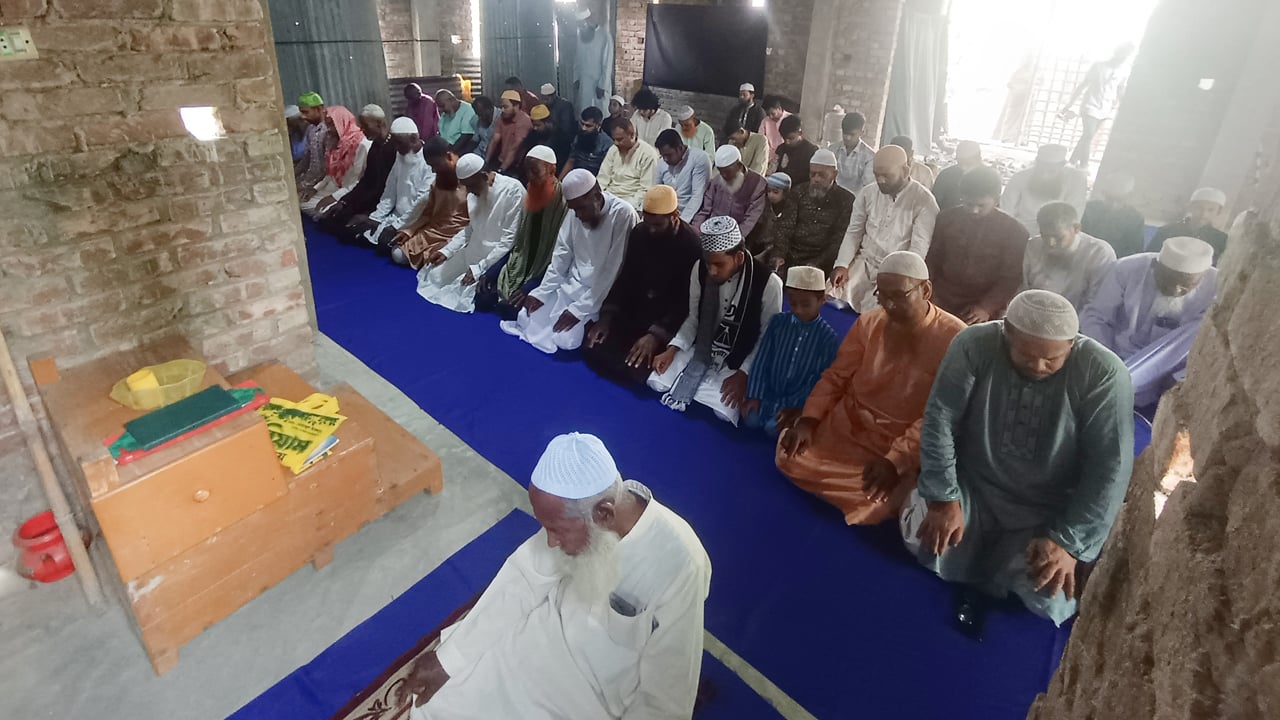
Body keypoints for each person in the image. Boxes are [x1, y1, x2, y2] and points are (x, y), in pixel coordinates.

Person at [400, 432, 711, 720]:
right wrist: (447, 660)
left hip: (596, 690)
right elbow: (523, 580)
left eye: (556, 530)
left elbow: (666, 694)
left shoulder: (682, 564)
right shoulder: (584, 511)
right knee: (438, 704)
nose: (550, 542)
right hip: (543, 635)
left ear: (604, 513)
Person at [901, 290, 1134, 630]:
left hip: (1046, 512)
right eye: (1026, 355)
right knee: (922, 533)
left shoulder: (1104, 373)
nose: (1038, 366)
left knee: (1050, 593)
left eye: (1052, 359)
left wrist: (1068, 543)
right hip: (974, 489)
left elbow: (1110, 467)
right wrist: (943, 498)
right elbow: (941, 419)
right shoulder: (974, 344)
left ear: (1072, 344)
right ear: (1005, 332)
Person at [778, 252, 965, 524]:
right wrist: (809, 420)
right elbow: (836, 376)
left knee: (874, 502)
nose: (889, 305)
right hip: (849, 424)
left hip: (897, 439)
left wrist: (895, 461)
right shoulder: (869, 321)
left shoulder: (957, 340)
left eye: (898, 296)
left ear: (926, 290)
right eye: (882, 295)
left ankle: (899, 482)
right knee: (789, 456)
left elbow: (940, 416)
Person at [647, 216, 784, 425]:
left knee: (724, 412)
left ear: (739, 258)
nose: (712, 271)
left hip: (739, 356)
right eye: (708, 263)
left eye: (719, 264)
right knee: (656, 382)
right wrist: (673, 348)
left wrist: (745, 373)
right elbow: (694, 318)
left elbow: (768, 337)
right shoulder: (700, 268)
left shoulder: (769, 283)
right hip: (703, 346)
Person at [501, 169, 638, 353]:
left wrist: (580, 309)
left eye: (581, 208)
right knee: (526, 316)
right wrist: (542, 292)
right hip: (570, 285)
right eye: (573, 210)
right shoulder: (574, 212)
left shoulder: (623, 214)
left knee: (565, 340)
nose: (577, 215)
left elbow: (613, 270)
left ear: (597, 197)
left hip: (598, 294)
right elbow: (561, 255)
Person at [583, 185, 702, 386]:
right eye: (648, 223)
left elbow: (685, 301)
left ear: (675, 216)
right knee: (592, 344)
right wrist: (606, 318)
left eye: (658, 225)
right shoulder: (640, 232)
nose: (652, 230)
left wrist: (655, 336)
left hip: (667, 316)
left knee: (637, 371)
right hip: (636, 310)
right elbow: (626, 277)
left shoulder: (692, 246)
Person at [1080, 236, 1216, 406]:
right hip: (1117, 354)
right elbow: (1096, 316)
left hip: (1170, 370)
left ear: (1203, 276)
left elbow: (1209, 344)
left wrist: (1182, 376)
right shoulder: (1127, 269)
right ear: (1154, 266)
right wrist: (1106, 360)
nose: (1175, 290)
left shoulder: (1217, 287)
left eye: (1185, 286)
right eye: (1167, 281)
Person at [831, 145, 940, 313]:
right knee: (833, 296)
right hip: (863, 263)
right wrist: (842, 264)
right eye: (876, 175)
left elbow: (918, 250)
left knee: (884, 315)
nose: (880, 180)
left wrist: (898, 279)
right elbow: (854, 232)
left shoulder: (924, 201)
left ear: (905, 171)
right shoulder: (867, 193)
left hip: (896, 272)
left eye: (887, 176)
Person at [417, 154, 526, 313]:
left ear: (483, 176)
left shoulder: (513, 190)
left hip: (495, 260)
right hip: (472, 252)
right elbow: (470, 228)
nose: (468, 191)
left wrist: (480, 269)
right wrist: (447, 251)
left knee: (463, 294)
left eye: (470, 186)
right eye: (465, 186)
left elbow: (509, 240)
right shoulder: (474, 193)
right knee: (434, 278)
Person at [741, 266, 840, 436]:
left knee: (773, 429)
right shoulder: (778, 322)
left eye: (806, 305)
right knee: (750, 420)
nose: (798, 310)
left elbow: (817, 380)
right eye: (793, 303)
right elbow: (762, 359)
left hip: (795, 401)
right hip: (768, 394)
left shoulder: (828, 338)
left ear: (821, 301)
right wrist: (755, 395)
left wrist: (796, 407)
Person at [475, 146, 569, 320]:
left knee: (512, 311)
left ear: (552, 170)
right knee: (482, 299)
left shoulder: (565, 204)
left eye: (536, 172)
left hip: (545, 274)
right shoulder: (530, 194)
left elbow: (561, 259)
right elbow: (517, 243)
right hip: (518, 266)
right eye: (528, 172)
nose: (530, 177)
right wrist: (492, 272)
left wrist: (531, 287)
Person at [925, 167, 1029, 324]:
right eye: (968, 204)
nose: (974, 210)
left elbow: (1011, 277)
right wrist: (928, 291)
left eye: (981, 205)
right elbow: (933, 258)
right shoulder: (946, 219)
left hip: (981, 305)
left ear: (997, 199)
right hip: (941, 296)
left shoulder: (1015, 232)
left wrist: (987, 307)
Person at [347, 117, 434, 251]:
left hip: (415, 220)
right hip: (394, 216)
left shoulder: (429, 159)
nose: (396, 148)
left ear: (413, 138)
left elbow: (420, 203)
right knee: (353, 230)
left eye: (399, 143)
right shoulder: (401, 154)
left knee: (384, 243)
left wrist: (396, 226)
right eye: (394, 143)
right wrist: (375, 218)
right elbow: (389, 192)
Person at [768, 149, 853, 275]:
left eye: (821, 175)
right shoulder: (798, 192)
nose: (816, 179)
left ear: (834, 174)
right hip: (791, 256)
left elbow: (838, 239)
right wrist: (779, 254)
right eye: (812, 174)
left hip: (824, 262)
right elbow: (785, 228)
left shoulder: (845, 200)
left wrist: (816, 263)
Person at [319, 106, 398, 240]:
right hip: (368, 198)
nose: (361, 129)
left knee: (351, 231)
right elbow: (366, 181)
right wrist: (344, 202)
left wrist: (368, 214)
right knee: (329, 220)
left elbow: (390, 190)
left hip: (383, 203)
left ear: (379, 123)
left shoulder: (395, 148)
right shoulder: (375, 146)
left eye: (365, 125)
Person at [390, 138, 471, 268]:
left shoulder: (470, 179)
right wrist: (409, 231)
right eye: (431, 166)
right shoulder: (438, 181)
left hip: (458, 234)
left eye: (436, 165)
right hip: (433, 231)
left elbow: (475, 221)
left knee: (440, 264)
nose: (433, 171)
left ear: (449, 156)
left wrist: (449, 244)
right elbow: (428, 213)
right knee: (397, 254)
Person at [1022, 201, 1116, 310]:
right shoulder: (1033, 245)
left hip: (1078, 318)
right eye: (1044, 236)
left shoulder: (1099, 253)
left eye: (1058, 237)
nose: (1051, 243)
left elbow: (1097, 305)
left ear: (1076, 228)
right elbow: (1023, 290)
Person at [1060, 43, 1134, 169]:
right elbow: (1083, 85)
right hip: (1090, 104)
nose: (1124, 58)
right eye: (1123, 54)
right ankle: (1083, 164)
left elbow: (1120, 89)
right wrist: (1069, 104)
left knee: (1087, 137)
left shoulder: (1125, 70)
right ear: (1117, 52)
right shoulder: (1099, 66)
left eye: (1127, 55)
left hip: (1106, 108)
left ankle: (1072, 162)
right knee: (1088, 134)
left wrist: (1123, 107)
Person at [1001, 144, 1089, 235]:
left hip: (1055, 233)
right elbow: (1006, 211)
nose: (1044, 176)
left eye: (1051, 171)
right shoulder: (1020, 177)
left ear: (1062, 166)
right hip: (1020, 230)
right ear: (1036, 163)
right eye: (1040, 170)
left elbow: (1073, 217)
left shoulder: (1076, 180)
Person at [302, 105, 371, 217]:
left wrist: (334, 197)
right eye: (327, 125)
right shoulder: (336, 143)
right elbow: (330, 174)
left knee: (324, 212)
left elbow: (357, 182)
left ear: (342, 123)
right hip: (334, 189)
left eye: (332, 125)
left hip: (350, 194)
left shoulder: (362, 145)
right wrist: (315, 189)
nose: (328, 129)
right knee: (300, 203)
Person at [693, 145, 768, 250]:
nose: (723, 175)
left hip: (736, 238)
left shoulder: (758, 184)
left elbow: (750, 220)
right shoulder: (717, 181)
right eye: (720, 171)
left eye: (727, 171)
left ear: (739, 165)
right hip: (710, 233)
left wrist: (730, 243)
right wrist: (694, 230)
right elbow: (705, 210)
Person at [1149, 187, 1229, 264]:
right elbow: (1150, 257)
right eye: (1199, 208)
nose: (1203, 214)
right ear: (1190, 207)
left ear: (1219, 212)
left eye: (1211, 210)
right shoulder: (1168, 230)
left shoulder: (1220, 240)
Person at [596, 118, 660, 211]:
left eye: (619, 139)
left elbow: (646, 190)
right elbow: (602, 179)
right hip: (608, 198)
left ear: (632, 135)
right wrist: (597, 198)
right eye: (614, 139)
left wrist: (622, 206)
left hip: (631, 204)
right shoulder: (613, 149)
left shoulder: (648, 154)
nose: (616, 143)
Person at [1081, 172, 1146, 259]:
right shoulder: (1089, 209)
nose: (1113, 205)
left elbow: (1134, 253)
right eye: (1109, 199)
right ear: (1103, 193)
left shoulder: (1136, 219)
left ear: (1130, 195)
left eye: (1119, 200)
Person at [654, 129, 710, 223]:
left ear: (680, 148)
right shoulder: (662, 163)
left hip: (692, 215)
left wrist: (681, 223)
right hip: (667, 214)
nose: (665, 159)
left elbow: (697, 196)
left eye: (669, 155)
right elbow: (656, 192)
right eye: (663, 156)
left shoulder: (698, 159)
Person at [573, 8, 614, 113]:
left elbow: (607, 64)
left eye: (582, 24)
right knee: (584, 112)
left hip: (598, 84)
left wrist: (602, 86)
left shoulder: (605, 36)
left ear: (589, 20)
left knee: (600, 112)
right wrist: (576, 78)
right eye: (579, 25)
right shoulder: (580, 36)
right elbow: (577, 59)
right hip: (584, 83)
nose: (581, 27)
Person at [486, 90, 534, 176]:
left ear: (516, 106)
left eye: (506, 107)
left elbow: (515, 147)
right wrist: (486, 162)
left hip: (516, 165)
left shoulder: (524, 121)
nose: (502, 110)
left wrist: (501, 170)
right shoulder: (502, 118)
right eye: (502, 107)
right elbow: (494, 140)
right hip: (502, 159)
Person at [931, 140, 984, 211]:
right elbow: (933, 205)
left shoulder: (990, 178)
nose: (963, 167)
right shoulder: (946, 175)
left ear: (979, 159)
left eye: (969, 164)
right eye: (960, 162)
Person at [561, 106, 614, 178]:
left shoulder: (607, 145)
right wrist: (559, 181)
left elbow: (606, 172)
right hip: (576, 176)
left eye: (588, 126)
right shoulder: (579, 137)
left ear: (598, 125)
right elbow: (571, 161)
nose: (583, 128)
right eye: (582, 124)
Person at [295, 92, 330, 198]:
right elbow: (307, 158)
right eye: (301, 112)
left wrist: (305, 185)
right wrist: (293, 175)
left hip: (325, 183)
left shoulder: (329, 129)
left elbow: (326, 167)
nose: (303, 116)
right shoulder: (310, 129)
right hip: (310, 180)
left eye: (306, 112)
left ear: (319, 109)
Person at [833, 112, 875, 195]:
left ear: (862, 133)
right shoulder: (832, 150)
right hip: (832, 196)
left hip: (856, 199)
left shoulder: (870, 157)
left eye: (852, 135)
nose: (847, 138)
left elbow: (867, 187)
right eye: (845, 133)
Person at [760, 172, 796, 265]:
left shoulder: (790, 209)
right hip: (761, 243)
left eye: (775, 192)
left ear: (785, 193)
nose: (771, 195)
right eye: (769, 191)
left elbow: (787, 231)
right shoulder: (764, 204)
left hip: (779, 247)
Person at [774, 114, 818, 186]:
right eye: (784, 138)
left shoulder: (811, 151)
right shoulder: (781, 149)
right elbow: (774, 171)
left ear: (800, 133)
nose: (787, 142)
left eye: (791, 138)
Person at [540, 82, 578, 163]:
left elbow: (566, 128)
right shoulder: (544, 105)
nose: (544, 102)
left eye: (546, 99)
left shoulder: (565, 106)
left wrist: (550, 126)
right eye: (543, 99)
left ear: (553, 96)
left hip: (562, 142)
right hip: (548, 137)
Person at [435, 89, 479, 155]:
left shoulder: (468, 110)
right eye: (438, 106)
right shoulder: (445, 114)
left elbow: (466, 137)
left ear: (451, 100)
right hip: (444, 149)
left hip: (458, 151)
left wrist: (449, 153)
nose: (440, 109)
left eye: (442, 106)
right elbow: (440, 133)